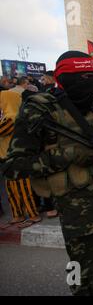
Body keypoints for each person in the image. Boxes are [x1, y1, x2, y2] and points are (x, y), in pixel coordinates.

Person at [1, 51, 93, 296]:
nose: (89, 83)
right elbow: (13, 167)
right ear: (65, 80)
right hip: (77, 216)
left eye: (92, 77)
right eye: (82, 77)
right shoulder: (40, 111)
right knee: (82, 277)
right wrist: (71, 154)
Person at [0, 89, 42, 229]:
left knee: (23, 189)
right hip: (6, 158)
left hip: (17, 158)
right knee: (11, 190)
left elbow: (2, 130)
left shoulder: (12, 116)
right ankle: (17, 215)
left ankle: (33, 215)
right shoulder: (7, 115)